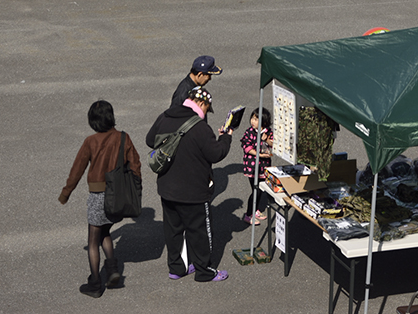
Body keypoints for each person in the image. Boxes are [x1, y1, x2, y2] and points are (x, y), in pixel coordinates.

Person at [145, 86, 231, 284]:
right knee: (199, 232)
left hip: (167, 188)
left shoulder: (164, 116)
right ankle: (205, 272)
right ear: (201, 103)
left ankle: (177, 268)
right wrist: (226, 137)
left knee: (173, 230)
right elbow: (216, 153)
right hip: (194, 191)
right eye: (207, 108)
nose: (206, 113)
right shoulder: (200, 128)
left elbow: (150, 140)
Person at [59, 100, 142, 298]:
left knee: (93, 240)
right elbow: (135, 165)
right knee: (105, 231)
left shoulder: (90, 141)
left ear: (93, 121)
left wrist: (66, 193)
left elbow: (77, 169)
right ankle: (112, 270)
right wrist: (135, 189)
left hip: (98, 197)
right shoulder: (123, 138)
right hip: (117, 197)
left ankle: (95, 284)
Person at [241, 107, 274, 224]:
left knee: (260, 189)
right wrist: (260, 154)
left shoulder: (268, 132)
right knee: (256, 191)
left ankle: (255, 210)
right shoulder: (249, 132)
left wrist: (267, 140)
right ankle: (248, 214)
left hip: (264, 166)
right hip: (252, 167)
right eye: (252, 118)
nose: (252, 121)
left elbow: (273, 145)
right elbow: (247, 147)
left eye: (256, 119)